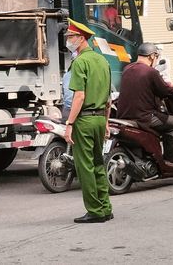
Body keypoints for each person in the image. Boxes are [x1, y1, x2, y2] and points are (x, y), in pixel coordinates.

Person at [63, 18, 113, 224]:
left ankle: (95, 210)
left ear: (80, 38)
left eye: (70, 37)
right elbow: (109, 98)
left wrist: (69, 124)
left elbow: (79, 96)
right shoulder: (103, 61)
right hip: (100, 119)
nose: (67, 40)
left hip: (83, 121)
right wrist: (107, 122)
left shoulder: (80, 62)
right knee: (99, 163)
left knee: (85, 167)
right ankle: (106, 207)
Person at [118, 43, 173, 166]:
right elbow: (164, 91)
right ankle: (172, 160)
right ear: (152, 56)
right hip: (144, 117)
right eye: (155, 56)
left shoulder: (127, 69)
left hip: (124, 115)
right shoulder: (150, 72)